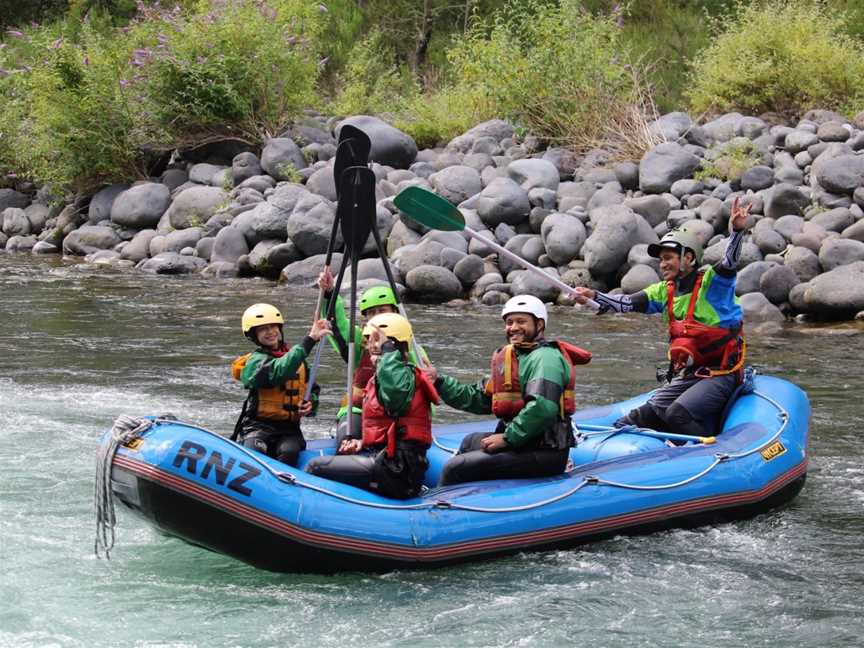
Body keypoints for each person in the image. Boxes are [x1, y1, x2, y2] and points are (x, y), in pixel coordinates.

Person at [572, 197, 752, 438]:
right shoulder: (664, 291)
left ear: (688, 258)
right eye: (661, 259)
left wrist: (737, 231)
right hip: (692, 375)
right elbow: (626, 303)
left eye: (668, 258)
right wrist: (593, 296)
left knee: (677, 413)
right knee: (637, 417)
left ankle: (706, 450)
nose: (662, 264)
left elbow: (729, 263)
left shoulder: (712, 287)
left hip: (723, 375)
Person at [426, 295, 591, 487]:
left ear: (539, 325)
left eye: (521, 321)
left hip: (545, 451)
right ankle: (471, 497)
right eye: (509, 322)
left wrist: (507, 439)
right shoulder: (512, 357)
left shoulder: (545, 359)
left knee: (456, 468)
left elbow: (543, 408)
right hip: (523, 444)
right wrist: (439, 382)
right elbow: (479, 399)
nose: (513, 327)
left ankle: (442, 511)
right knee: (470, 441)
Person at [304, 313, 439, 499]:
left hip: (398, 470)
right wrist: (362, 443)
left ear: (395, 345)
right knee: (338, 460)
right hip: (388, 461)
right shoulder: (381, 379)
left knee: (315, 466)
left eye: (379, 341)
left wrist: (387, 352)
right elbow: (390, 426)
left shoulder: (404, 379)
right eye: (370, 341)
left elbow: (395, 399)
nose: (372, 346)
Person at [316, 267, 429, 445]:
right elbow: (338, 325)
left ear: (395, 312)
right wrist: (330, 293)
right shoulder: (360, 342)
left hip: (396, 415)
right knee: (348, 438)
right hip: (358, 411)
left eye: (382, 310)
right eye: (371, 313)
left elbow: (424, 392)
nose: (376, 317)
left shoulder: (413, 349)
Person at [231, 303, 331, 467]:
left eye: (273, 327)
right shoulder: (254, 362)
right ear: (254, 335)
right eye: (263, 329)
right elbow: (278, 371)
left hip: (289, 430)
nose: (270, 332)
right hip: (257, 426)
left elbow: (312, 389)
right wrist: (310, 340)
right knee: (255, 448)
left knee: (288, 451)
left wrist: (310, 404)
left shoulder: (298, 361)